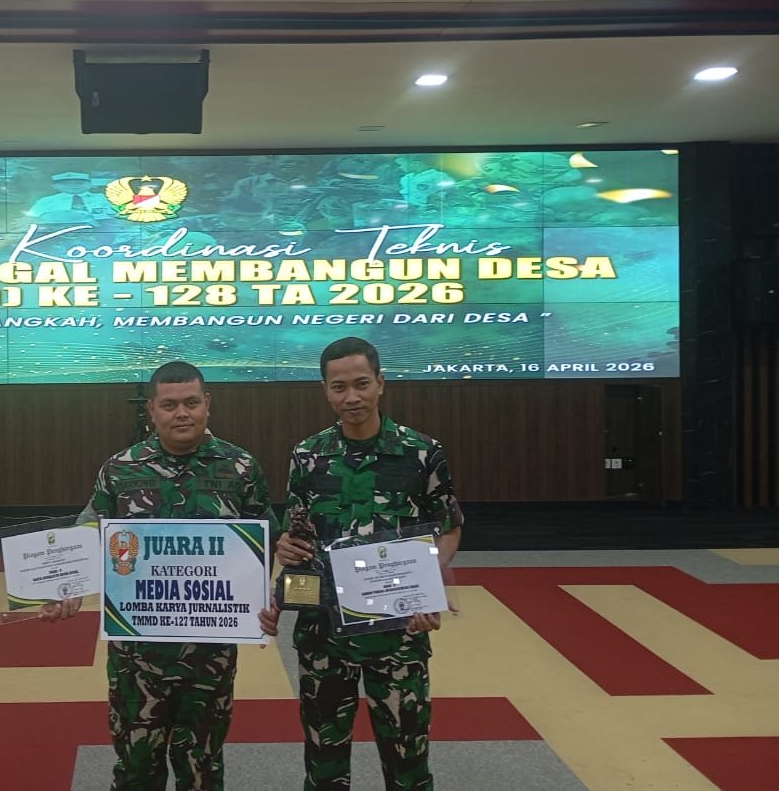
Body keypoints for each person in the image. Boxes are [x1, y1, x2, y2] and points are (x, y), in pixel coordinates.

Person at [40, 361, 277, 791]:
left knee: (202, 769)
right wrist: (63, 587)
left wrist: (263, 600)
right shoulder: (120, 469)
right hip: (136, 656)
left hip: (210, 655)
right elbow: (87, 536)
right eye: (169, 405)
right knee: (136, 769)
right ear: (151, 409)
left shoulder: (240, 468)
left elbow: (265, 540)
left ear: (207, 403)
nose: (181, 413)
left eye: (191, 402)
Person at [266, 336, 463, 791]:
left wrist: (427, 585)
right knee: (324, 765)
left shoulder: (421, 452)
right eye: (339, 387)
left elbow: (450, 527)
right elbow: (297, 534)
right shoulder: (307, 455)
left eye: (361, 384)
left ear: (380, 383)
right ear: (325, 390)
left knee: (408, 762)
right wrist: (285, 550)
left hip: (398, 632)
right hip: (323, 635)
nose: (351, 397)